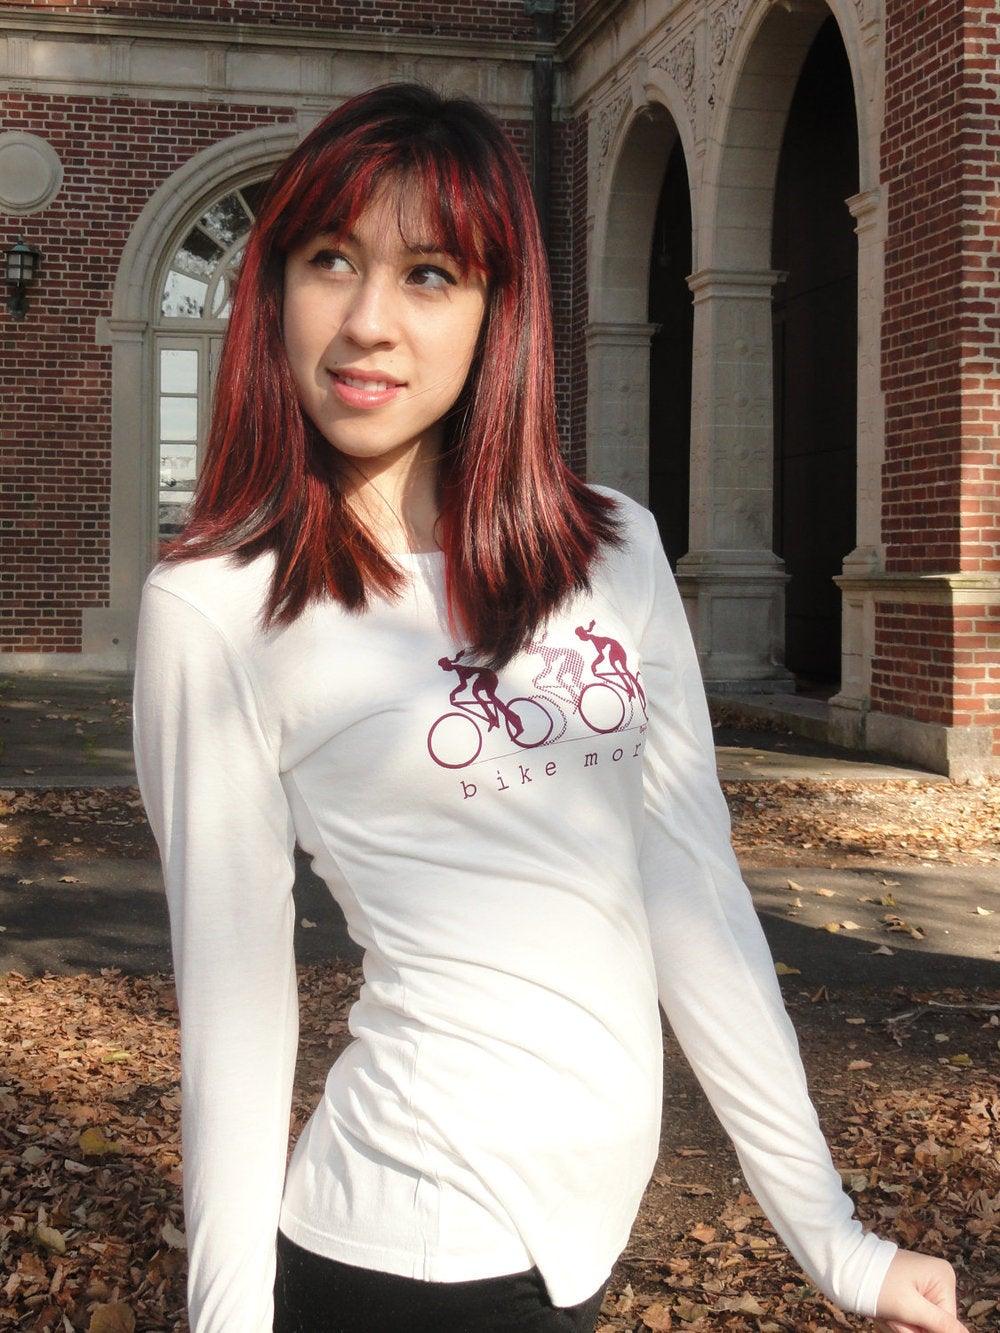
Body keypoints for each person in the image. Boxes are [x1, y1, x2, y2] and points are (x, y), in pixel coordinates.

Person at [130, 82, 970, 1333]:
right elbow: (238, 1003)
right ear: (274, 291)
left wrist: (830, 1238)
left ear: (494, 312)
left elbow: (691, 884)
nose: (367, 323)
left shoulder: (612, 546)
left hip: (580, 1244)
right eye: (328, 261)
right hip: (405, 1252)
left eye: (428, 274)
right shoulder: (217, 605)